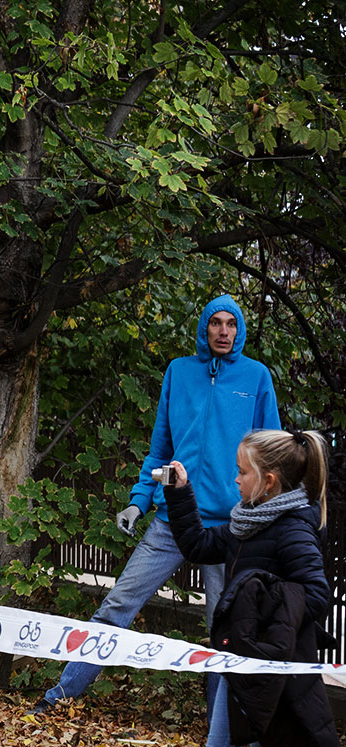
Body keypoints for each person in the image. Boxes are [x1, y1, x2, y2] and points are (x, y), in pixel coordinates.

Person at [33, 294, 281, 713]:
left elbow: (271, 455)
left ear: (239, 330)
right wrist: (138, 501)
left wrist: (260, 513)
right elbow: (159, 451)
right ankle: (63, 694)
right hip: (173, 519)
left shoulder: (256, 378)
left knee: (222, 630)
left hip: (228, 527)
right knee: (117, 604)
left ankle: (218, 730)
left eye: (231, 324)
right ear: (204, 329)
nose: (223, 331)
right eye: (216, 323)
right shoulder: (179, 372)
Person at [164, 429, 336, 747]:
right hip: (234, 654)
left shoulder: (293, 528)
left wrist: (259, 600)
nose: (236, 480)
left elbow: (316, 595)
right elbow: (198, 545)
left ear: (270, 481)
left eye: (243, 472)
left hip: (267, 664)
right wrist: (180, 494)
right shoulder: (247, 519)